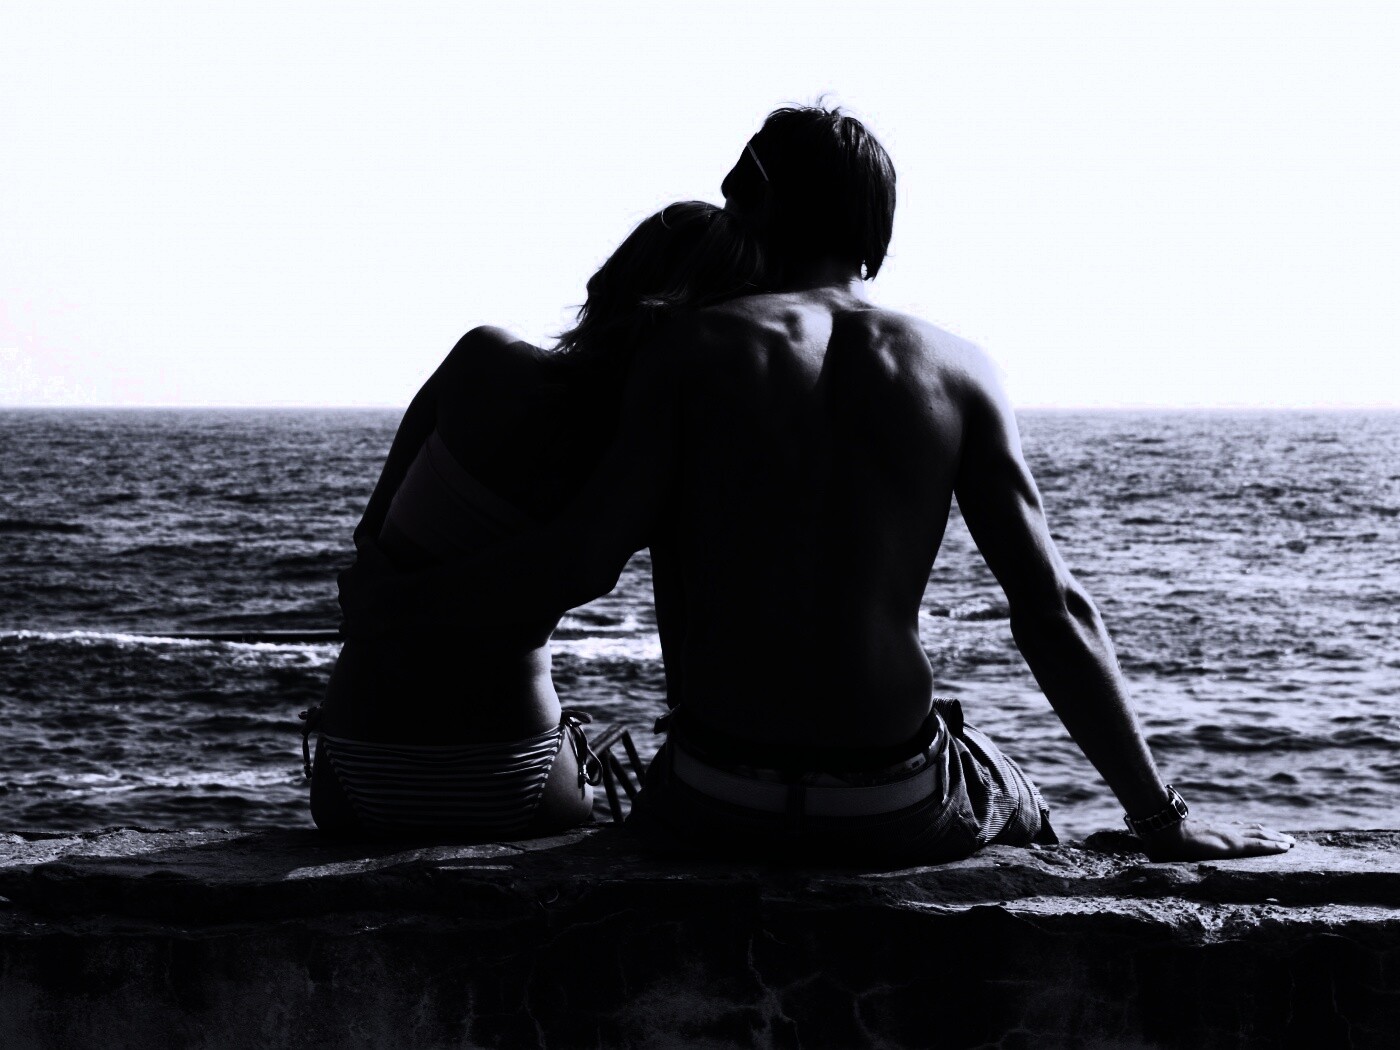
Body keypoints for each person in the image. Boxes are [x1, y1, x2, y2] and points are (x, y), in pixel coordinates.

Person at [340, 107, 1295, 865]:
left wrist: (397, 600)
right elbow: (1051, 609)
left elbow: (581, 561)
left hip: (718, 797)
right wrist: (1161, 817)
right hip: (893, 799)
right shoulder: (960, 368)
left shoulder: (689, 349)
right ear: (875, 230)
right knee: (1017, 794)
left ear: (754, 204)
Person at [308, 201, 763, 839]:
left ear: (613, 278)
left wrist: (389, 603)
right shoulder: (651, 464)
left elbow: (369, 536)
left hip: (356, 764)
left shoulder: (480, 358)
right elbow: (673, 641)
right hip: (512, 772)